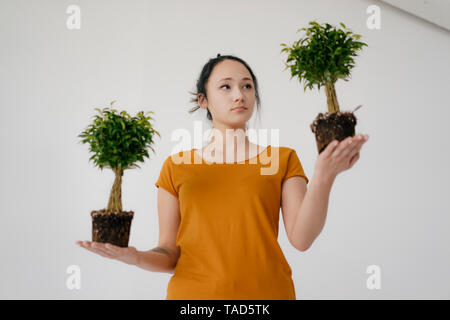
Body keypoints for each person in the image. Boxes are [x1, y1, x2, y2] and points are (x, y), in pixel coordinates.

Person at [76, 54, 369, 299]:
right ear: (203, 100)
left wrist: (324, 176)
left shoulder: (281, 159)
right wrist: (134, 256)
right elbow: (169, 253)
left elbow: (302, 239)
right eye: (226, 87)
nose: (240, 95)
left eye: (247, 86)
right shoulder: (176, 166)